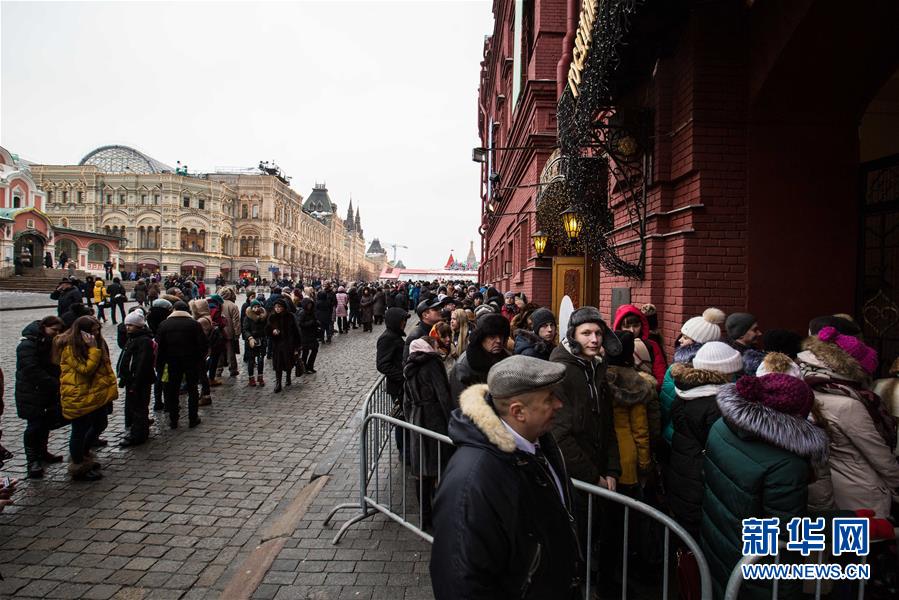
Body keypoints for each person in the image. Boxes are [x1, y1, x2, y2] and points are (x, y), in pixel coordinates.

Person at [430, 355, 579, 599]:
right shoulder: (472, 482)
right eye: (550, 398)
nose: (559, 404)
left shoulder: (539, 441)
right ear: (518, 412)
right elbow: (460, 583)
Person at [701, 374, 831, 599]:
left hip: (720, 546)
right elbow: (787, 535)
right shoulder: (787, 464)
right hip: (755, 572)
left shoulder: (722, 426)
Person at [549, 306, 622, 574]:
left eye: (598, 333)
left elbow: (607, 424)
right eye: (586, 333)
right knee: (576, 545)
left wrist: (612, 469)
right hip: (575, 481)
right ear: (573, 336)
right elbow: (560, 436)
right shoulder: (561, 372)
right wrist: (594, 478)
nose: (594, 339)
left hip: (600, 473)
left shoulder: (596, 368)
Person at [799, 326, 899, 517]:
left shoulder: (807, 387)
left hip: (825, 486)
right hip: (859, 492)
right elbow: (879, 456)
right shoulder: (849, 405)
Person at [666, 341, 743, 540]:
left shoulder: (685, 392)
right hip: (700, 480)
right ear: (725, 372)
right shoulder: (716, 405)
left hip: (683, 472)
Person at [57, 316, 118, 481]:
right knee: (79, 430)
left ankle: (84, 454)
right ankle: (78, 464)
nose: (96, 333)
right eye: (93, 331)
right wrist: (93, 349)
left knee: (100, 423)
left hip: (95, 392)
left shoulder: (97, 342)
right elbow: (86, 369)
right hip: (78, 394)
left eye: (97, 330)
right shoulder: (71, 347)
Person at [403, 337, 454, 529]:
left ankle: (425, 517)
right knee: (440, 466)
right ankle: (441, 514)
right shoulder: (433, 363)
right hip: (434, 419)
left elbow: (406, 398)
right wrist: (451, 419)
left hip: (417, 418)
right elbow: (443, 394)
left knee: (421, 470)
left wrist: (411, 420)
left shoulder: (409, 365)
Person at [659, 308, 725, 445]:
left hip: (675, 435)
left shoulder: (676, 370)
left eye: (686, 337)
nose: (680, 340)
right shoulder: (725, 370)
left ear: (699, 342)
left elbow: (666, 405)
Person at [15, 316, 65, 479]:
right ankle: (32, 461)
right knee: (34, 426)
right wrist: (53, 382)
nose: (56, 333)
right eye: (53, 330)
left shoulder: (50, 341)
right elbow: (31, 369)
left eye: (59, 331)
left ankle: (42, 453)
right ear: (44, 327)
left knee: (45, 422)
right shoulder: (27, 344)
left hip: (47, 389)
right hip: (32, 390)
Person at [156, 300, 207, 429]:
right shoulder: (194, 324)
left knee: (173, 390)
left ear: (174, 310)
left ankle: (173, 419)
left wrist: (160, 365)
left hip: (171, 361)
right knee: (192, 389)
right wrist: (199, 359)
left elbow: (159, 347)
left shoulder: (164, 324)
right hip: (191, 361)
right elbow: (203, 344)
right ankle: (192, 418)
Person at [448, 313, 511, 405]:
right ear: (481, 338)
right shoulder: (463, 367)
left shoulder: (507, 358)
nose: (498, 341)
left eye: (501, 336)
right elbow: (462, 406)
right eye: (492, 337)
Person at [116, 311, 155, 447]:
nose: (127, 328)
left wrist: (135, 381)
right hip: (133, 379)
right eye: (126, 325)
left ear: (138, 325)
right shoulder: (133, 338)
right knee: (138, 407)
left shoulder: (143, 340)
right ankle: (141, 432)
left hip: (138, 380)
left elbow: (141, 363)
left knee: (138, 408)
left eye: (131, 325)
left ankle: (137, 435)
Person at [613, 304, 667, 389]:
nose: (632, 330)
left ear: (642, 325)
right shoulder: (614, 347)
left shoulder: (652, 345)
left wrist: (652, 389)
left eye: (636, 326)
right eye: (627, 326)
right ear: (620, 327)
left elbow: (660, 373)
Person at [266, 298, 300, 393]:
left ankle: (288, 377)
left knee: (288, 362)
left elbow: (296, 331)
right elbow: (267, 329)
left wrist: (297, 346)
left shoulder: (290, 316)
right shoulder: (272, 317)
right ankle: (278, 383)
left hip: (289, 344)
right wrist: (272, 331)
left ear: (284, 307)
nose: (277, 309)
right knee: (278, 364)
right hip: (277, 345)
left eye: (279, 307)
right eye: (276, 307)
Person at [377, 306, 408, 407]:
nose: (404, 323)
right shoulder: (387, 338)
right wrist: (402, 377)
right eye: (402, 320)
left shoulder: (395, 335)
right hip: (397, 386)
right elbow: (382, 365)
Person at [242, 301, 268, 387]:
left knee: (260, 360)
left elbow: (266, 328)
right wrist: (250, 338)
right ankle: (251, 378)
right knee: (251, 361)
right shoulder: (248, 318)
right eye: (255, 307)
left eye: (258, 307)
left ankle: (260, 377)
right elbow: (245, 330)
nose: (256, 309)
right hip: (251, 342)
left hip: (261, 341)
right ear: (252, 308)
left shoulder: (263, 317)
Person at [218, 287, 242, 378]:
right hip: (229, 332)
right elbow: (236, 321)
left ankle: (218, 370)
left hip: (218, 332)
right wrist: (237, 333)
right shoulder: (232, 305)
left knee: (219, 351)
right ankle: (233, 369)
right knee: (230, 352)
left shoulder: (217, 303)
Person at [296, 298, 320, 374]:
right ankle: (304, 367)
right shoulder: (302, 313)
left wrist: (317, 323)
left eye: (310, 305)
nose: (309, 306)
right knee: (305, 352)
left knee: (315, 350)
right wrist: (310, 323)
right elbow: (300, 324)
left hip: (313, 334)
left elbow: (315, 320)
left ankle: (310, 366)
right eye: (308, 305)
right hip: (305, 335)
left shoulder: (312, 312)